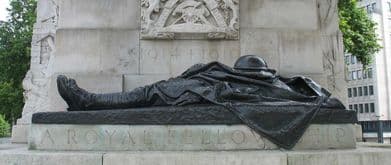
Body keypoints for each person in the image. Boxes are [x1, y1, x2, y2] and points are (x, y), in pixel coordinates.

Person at [57, 55, 346, 149]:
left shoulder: (285, 91)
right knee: (152, 91)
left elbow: (330, 105)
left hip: (204, 93)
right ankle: (89, 101)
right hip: (203, 89)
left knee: (151, 93)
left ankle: (89, 101)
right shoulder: (284, 85)